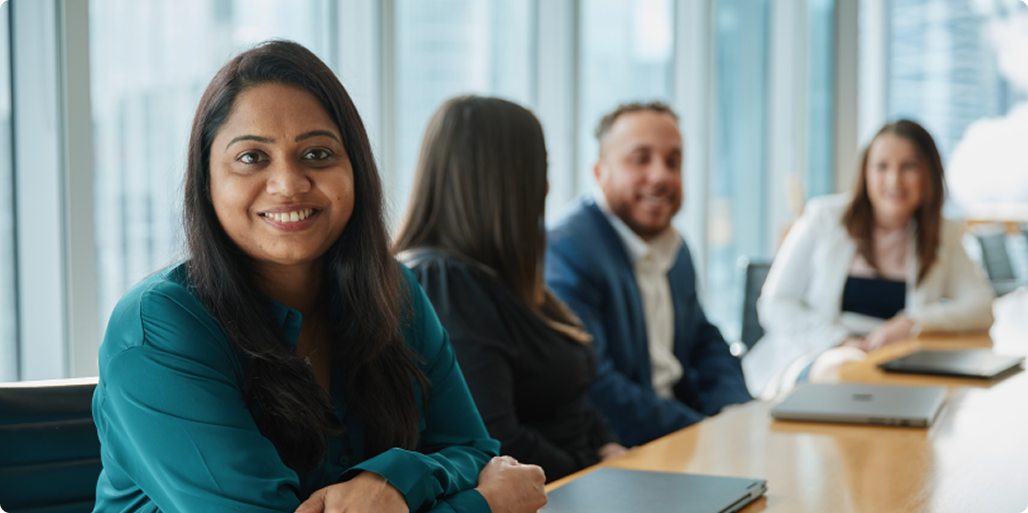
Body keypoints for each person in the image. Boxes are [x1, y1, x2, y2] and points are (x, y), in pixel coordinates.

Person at [91, 41, 546, 513]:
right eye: (252, 157)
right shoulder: (160, 326)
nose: (288, 183)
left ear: (356, 171)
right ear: (206, 181)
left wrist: (392, 481)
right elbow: (487, 481)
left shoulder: (394, 290)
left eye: (317, 154)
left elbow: (474, 451)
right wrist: (484, 506)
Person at [393, 96, 628, 482]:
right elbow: (496, 439)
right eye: (541, 169)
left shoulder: (501, 279)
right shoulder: (447, 284)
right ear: (505, 181)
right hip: (550, 492)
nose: (547, 186)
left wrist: (607, 445)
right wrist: (594, 469)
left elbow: (573, 399)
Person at [544, 102, 751, 448]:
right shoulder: (568, 249)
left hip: (682, 429)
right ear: (600, 172)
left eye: (673, 162)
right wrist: (703, 433)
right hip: (628, 448)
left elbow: (703, 338)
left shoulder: (675, 246)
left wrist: (737, 411)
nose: (660, 176)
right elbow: (595, 384)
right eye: (640, 159)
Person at [743, 119, 995, 396]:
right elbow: (775, 304)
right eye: (881, 166)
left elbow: (982, 308)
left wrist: (911, 323)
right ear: (865, 173)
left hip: (899, 368)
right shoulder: (823, 217)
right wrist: (839, 341)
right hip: (815, 355)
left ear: (930, 174)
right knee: (847, 372)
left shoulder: (943, 232)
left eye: (908, 166)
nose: (894, 179)